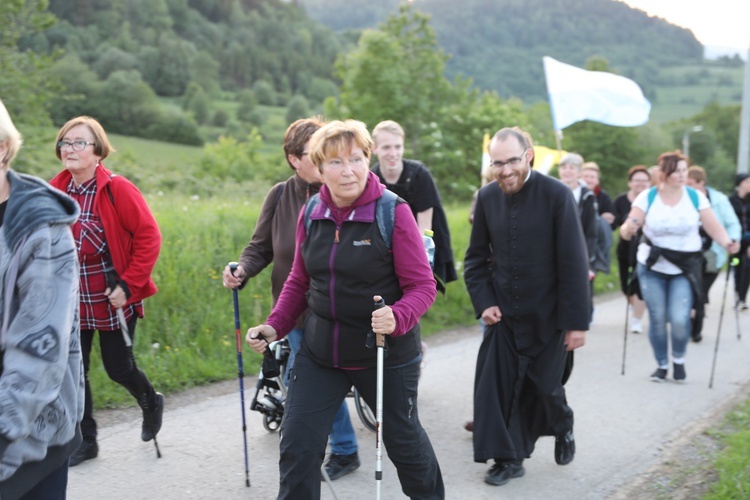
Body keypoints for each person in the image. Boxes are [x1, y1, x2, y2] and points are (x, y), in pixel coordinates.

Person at [246, 120, 444, 499]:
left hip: (383, 353)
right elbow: (299, 283)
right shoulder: (311, 213)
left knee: (405, 445)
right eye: (335, 162)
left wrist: (398, 316)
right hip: (322, 353)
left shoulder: (392, 212)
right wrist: (275, 327)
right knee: (298, 447)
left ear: (367, 159)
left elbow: (423, 286)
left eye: (356, 159)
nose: (348, 170)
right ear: (319, 169)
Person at [222, 117, 360, 481]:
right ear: (294, 159)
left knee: (329, 380)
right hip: (293, 312)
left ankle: (373, 435)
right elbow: (260, 247)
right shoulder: (280, 195)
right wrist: (242, 270)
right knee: (307, 381)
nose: (322, 158)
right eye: (313, 153)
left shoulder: (340, 195)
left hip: (335, 309)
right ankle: (344, 448)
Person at [464, 127, 589, 487]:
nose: (505, 170)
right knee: (497, 390)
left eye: (512, 161)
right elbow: (475, 260)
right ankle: (509, 459)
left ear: (529, 156)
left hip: (549, 317)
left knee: (544, 389)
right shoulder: (487, 197)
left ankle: (563, 424)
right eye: (497, 163)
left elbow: (573, 264)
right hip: (503, 316)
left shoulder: (557, 195)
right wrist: (484, 301)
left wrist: (575, 323)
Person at [50, 116, 163, 466]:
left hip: (112, 297)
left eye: (78, 143)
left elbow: (149, 237)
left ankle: (150, 400)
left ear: (97, 151)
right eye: (65, 143)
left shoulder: (118, 189)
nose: (70, 149)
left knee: (118, 369)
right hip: (70, 300)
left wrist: (129, 285)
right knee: (74, 372)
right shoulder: (54, 190)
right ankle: (86, 441)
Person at [0, 99, 84, 499]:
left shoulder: (42, 229)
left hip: (33, 434)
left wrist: (3, 429)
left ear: (2, 148)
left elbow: (38, 349)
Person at [620, 151, 738, 383]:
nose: (682, 175)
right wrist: (628, 229)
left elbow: (714, 227)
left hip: (684, 267)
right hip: (652, 265)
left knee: (680, 317)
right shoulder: (648, 197)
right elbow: (629, 226)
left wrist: (727, 242)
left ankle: (679, 359)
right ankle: (662, 365)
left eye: (684, 170)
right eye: (677, 171)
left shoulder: (695, 198)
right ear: (664, 174)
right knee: (658, 317)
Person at [370, 120, 457, 292]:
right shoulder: (372, 177)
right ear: (375, 149)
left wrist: (415, 261)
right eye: (386, 147)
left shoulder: (419, 175)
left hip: (417, 245)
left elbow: (425, 227)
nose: (393, 153)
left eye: (398, 147)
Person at [686, 165, 740, 342]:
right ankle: (691, 324)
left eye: (692, 183)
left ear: (702, 183)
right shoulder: (682, 198)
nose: (688, 187)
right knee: (691, 292)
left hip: (712, 254)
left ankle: (696, 329)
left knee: (700, 291)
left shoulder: (719, 200)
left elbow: (732, 223)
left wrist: (732, 240)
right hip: (688, 254)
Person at [558, 153, 597, 321]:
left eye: (571, 168)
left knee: (581, 284)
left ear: (579, 172)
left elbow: (591, 230)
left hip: (580, 245)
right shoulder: (553, 190)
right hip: (557, 246)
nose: (567, 171)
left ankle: (582, 318)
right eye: (564, 167)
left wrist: (587, 258)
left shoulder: (587, 196)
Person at [613, 166, 651, 334]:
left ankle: (636, 319)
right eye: (637, 180)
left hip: (646, 249)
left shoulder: (653, 199)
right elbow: (612, 222)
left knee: (639, 284)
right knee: (625, 286)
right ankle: (633, 305)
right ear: (630, 182)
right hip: (625, 247)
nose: (640, 184)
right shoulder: (621, 200)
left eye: (644, 181)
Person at [729, 173, 750, 311]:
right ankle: (737, 295)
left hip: (749, 240)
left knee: (747, 267)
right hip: (735, 240)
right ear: (741, 183)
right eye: (748, 181)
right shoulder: (730, 200)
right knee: (737, 266)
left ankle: (742, 299)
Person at [581, 161, 616, 226]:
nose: (588, 180)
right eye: (585, 176)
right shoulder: (573, 194)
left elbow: (612, 220)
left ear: (598, 180)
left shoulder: (604, 197)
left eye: (592, 177)